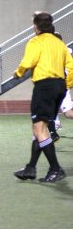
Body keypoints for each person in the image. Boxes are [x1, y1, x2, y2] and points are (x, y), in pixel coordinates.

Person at [13, 11, 73, 183]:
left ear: (36, 27)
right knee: (41, 129)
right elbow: (71, 66)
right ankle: (30, 168)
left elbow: (28, 62)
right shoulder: (60, 44)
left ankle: (55, 168)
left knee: (40, 129)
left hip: (44, 87)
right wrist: (66, 85)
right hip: (60, 87)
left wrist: (18, 73)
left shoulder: (35, 41)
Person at [47, 32, 73, 141]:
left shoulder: (66, 52)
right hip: (53, 86)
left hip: (62, 86)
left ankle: (54, 129)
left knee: (69, 114)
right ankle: (53, 132)